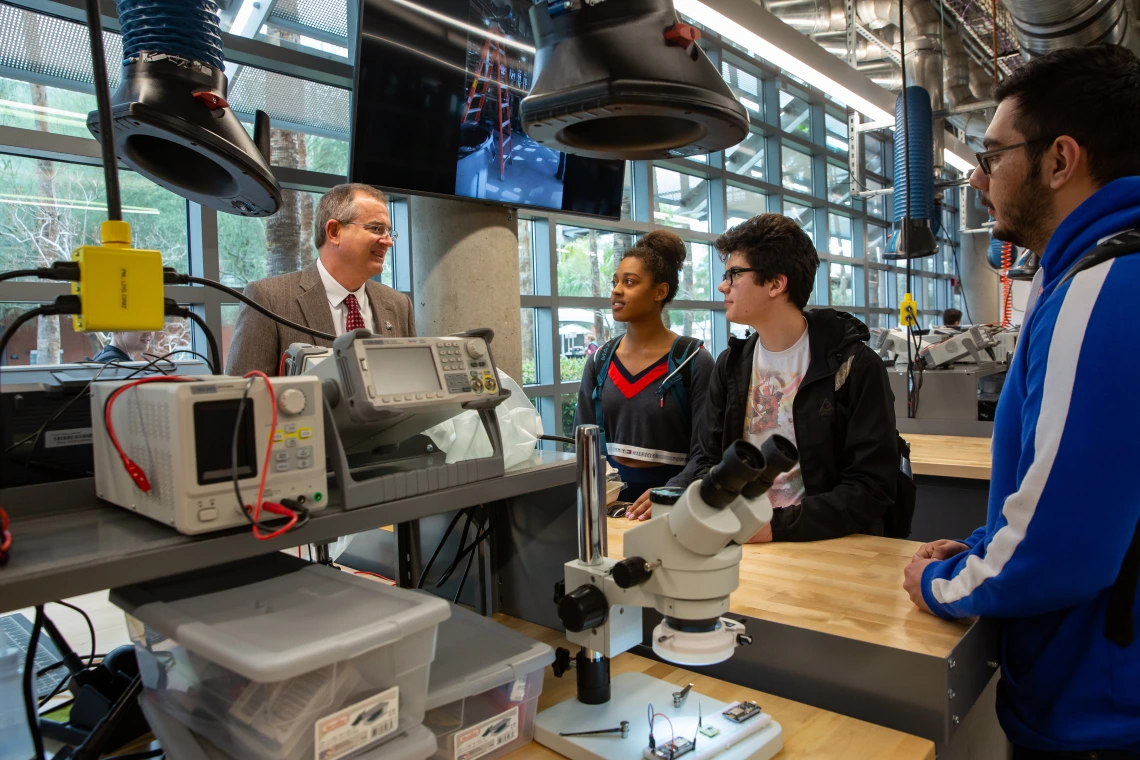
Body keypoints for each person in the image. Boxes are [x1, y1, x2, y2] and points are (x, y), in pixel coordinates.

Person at [902, 45, 1140, 758]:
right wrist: (983, 547)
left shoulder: (1105, 290)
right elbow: (1087, 490)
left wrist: (941, 581)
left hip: (1098, 712)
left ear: (1060, 160)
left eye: (991, 153)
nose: (977, 178)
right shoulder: (1091, 276)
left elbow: (1064, 549)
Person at [695, 214, 899, 541]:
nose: (723, 286)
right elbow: (708, 460)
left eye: (734, 274)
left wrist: (776, 527)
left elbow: (870, 487)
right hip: (740, 539)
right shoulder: (731, 364)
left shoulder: (854, 366)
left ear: (776, 283)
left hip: (824, 544)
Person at [573, 229, 714, 518]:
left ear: (659, 292)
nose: (616, 290)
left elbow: (707, 450)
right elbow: (583, 442)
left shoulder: (692, 361)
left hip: (675, 505)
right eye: (615, 282)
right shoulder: (600, 361)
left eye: (629, 282)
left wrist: (673, 490)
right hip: (610, 503)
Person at [226, 183, 415, 376]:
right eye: (376, 228)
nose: (388, 241)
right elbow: (244, 398)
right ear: (334, 231)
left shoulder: (398, 305)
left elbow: (411, 382)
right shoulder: (268, 300)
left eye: (389, 232)